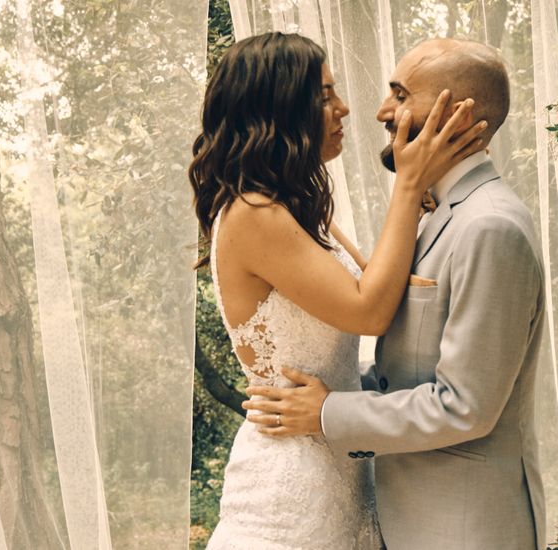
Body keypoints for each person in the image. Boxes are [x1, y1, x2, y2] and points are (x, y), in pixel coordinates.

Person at [245, 38, 548, 550]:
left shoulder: (490, 226)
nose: (383, 111)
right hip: (402, 517)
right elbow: (409, 368)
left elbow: (466, 407)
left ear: (455, 114)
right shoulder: (439, 214)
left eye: (400, 94)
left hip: (464, 527)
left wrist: (327, 413)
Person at [189, 32, 486, 549]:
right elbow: (369, 312)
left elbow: (388, 287)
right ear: (280, 108)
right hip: (292, 488)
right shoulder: (253, 215)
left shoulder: (298, 213)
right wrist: (409, 186)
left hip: (340, 464)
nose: (344, 108)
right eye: (325, 97)